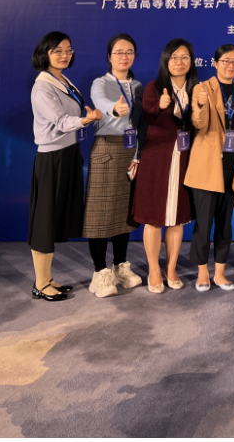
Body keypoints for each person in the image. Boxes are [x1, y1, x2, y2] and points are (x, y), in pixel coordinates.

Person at [29, 32, 102, 301]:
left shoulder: (62, 80)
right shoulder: (43, 86)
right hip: (52, 158)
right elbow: (60, 122)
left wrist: (87, 118)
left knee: (57, 217)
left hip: (69, 152)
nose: (64, 55)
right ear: (44, 53)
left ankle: (47, 278)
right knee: (45, 220)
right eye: (57, 51)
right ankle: (40, 283)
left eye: (68, 50)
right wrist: (85, 120)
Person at [132, 39, 198, 293]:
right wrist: (160, 106)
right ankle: (154, 269)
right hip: (156, 158)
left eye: (184, 57)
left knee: (176, 219)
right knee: (154, 218)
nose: (179, 62)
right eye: (174, 57)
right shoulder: (154, 87)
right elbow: (148, 116)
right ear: (165, 61)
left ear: (191, 61)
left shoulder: (197, 88)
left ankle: (171, 268)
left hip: (184, 158)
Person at [186, 44, 234, 292]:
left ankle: (220, 273)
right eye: (225, 61)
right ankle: (203, 272)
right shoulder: (202, 89)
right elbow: (198, 123)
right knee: (204, 223)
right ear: (215, 64)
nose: (230, 65)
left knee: (225, 224)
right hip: (207, 167)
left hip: (233, 166)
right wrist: (200, 105)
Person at [83, 33, 146, 298]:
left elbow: (141, 124)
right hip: (106, 150)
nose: (124, 56)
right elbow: (100, 102)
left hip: (130, 152)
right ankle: (100, 272)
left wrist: (138, 155)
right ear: (109, 56)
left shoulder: (139, 86)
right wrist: (114, 109)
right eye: (119, 52)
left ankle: (120, 266)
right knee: (100, 214)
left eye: (129, 52)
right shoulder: (100, 83)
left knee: (124, 214)